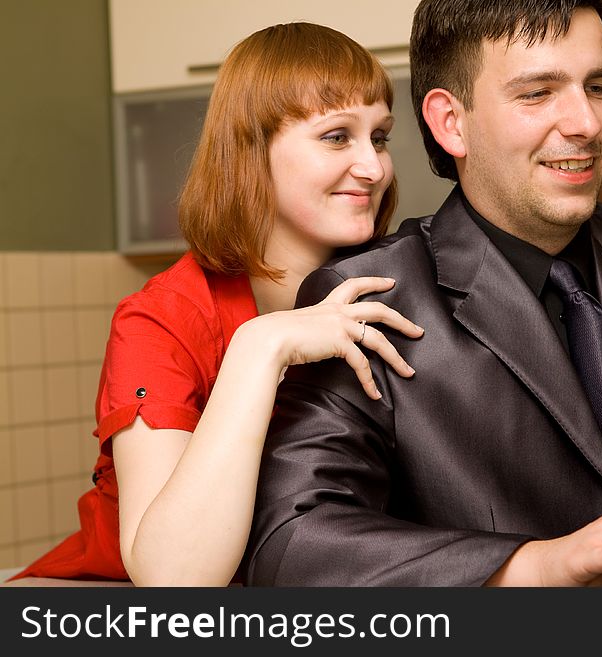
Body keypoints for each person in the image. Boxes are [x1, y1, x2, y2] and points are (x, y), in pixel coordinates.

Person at [245, 0, 602, 587]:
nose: (586, 123)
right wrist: (536, 564)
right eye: (538, 93)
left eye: (598, 87)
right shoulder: (366, 298)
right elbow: (293, 542)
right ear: (450, 123)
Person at [8, 22, 423, 586]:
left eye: (379, 137)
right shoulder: (161, 320)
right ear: (252, 152)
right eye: (336, 136)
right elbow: (175, 578)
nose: (374, 168)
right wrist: (261, 346)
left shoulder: (397, 287)